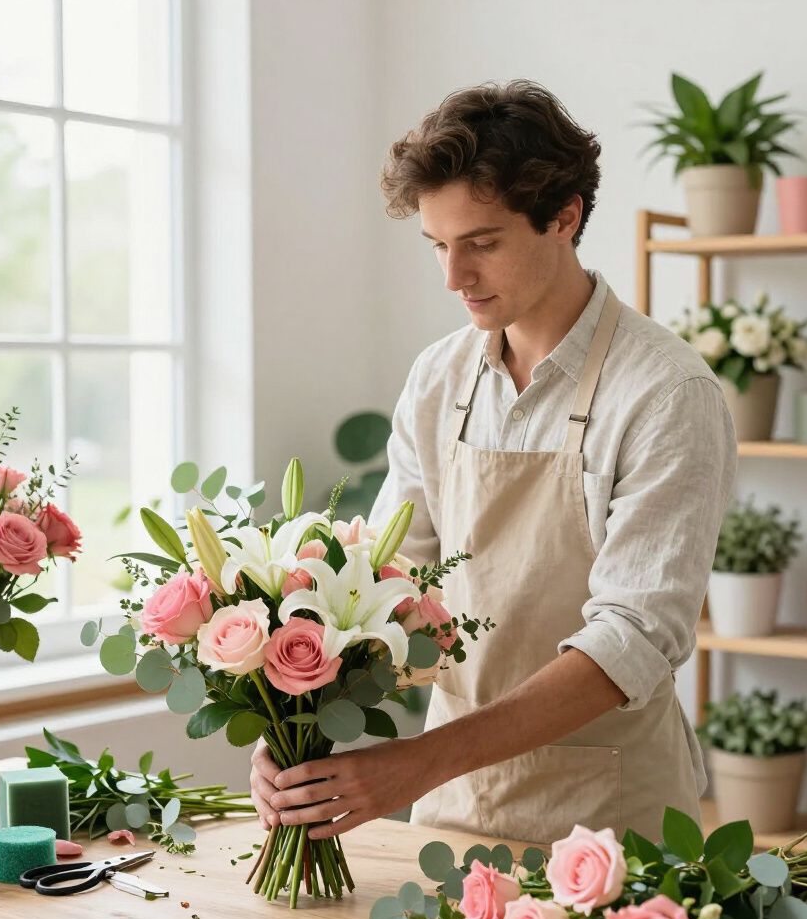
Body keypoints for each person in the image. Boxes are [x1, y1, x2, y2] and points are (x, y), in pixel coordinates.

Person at [250, 79, 736, 846]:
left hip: (609, 816)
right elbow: (386, 583)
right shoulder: (438, 379)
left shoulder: (667, 392)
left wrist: (418, 762)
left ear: (564, 217)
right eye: (438, 246)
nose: (454, 277)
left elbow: (631, 640)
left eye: (481, 243)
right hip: (453, 805)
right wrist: (290, 714)